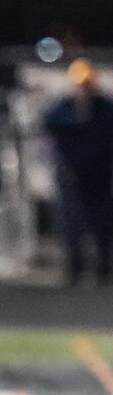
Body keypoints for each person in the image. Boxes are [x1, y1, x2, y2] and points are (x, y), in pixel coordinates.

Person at [42, 58, 113, 285]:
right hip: (71, 176)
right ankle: (74, 271)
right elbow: (49, 122)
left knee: (102, 224)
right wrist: (77, 113)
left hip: (99, 176)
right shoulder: (64, 108)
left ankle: (103, 269)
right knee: (72, 225)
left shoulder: (104, 108)